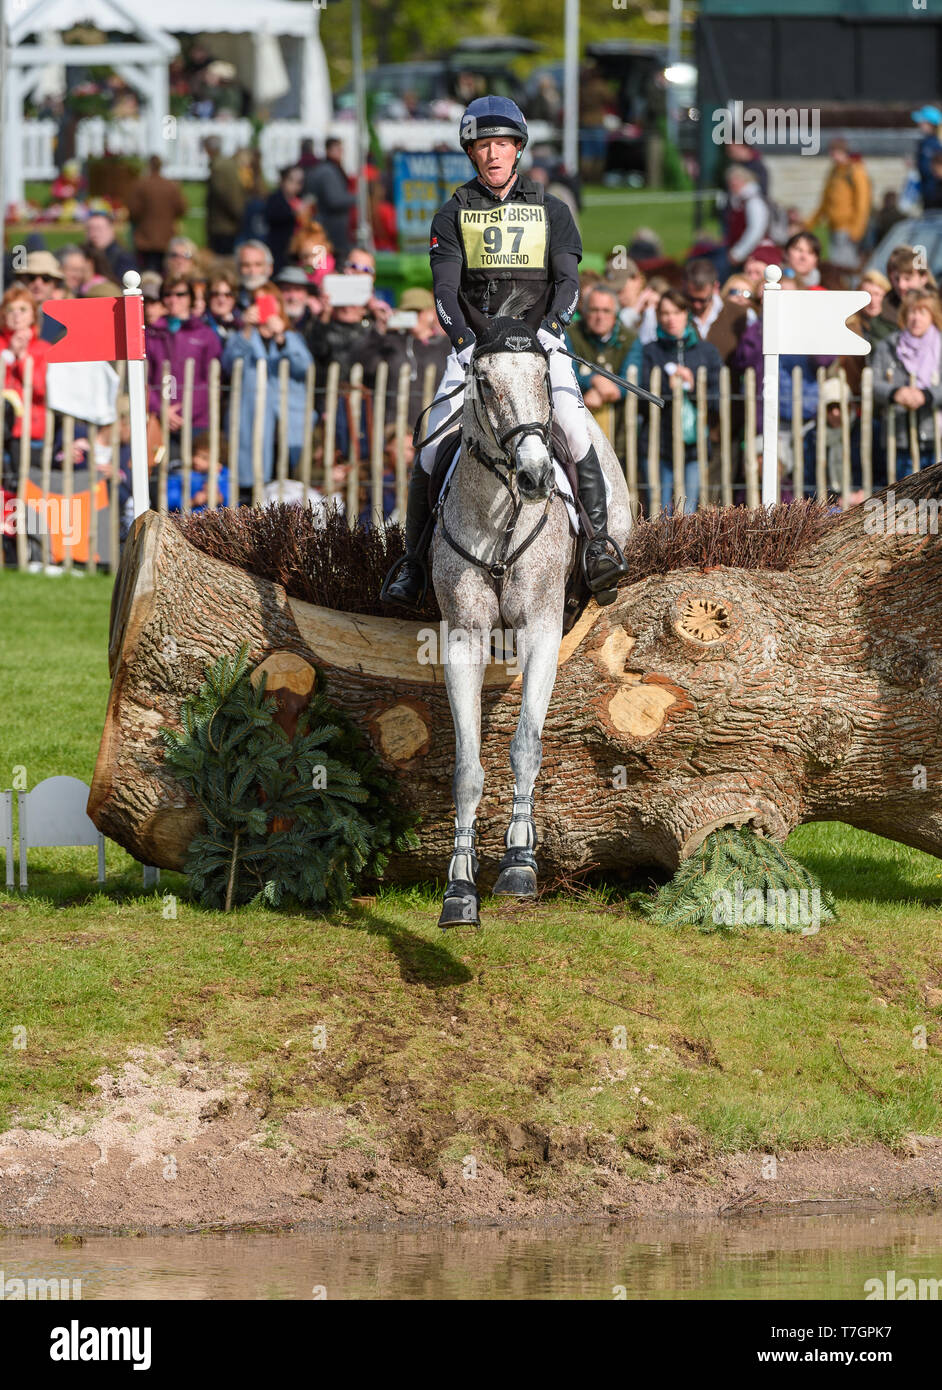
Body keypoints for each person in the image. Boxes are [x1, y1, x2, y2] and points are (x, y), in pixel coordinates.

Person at [381, 94, 629, 607]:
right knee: (430, 443)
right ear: (471, 153)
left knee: (576, 430)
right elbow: (445, 293)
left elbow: (568, 282)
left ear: (518, 148)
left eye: (502, 145)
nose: (493, 155)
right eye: (483, 146)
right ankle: (413, 563)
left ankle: (599, 546)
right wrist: (464, 343)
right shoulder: (450, 216)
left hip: (540, 345)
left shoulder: (552, 211)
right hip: (476, 351)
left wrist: (554, 327)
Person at [221, 285, 314, 498]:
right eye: (257, 302)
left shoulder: (291, 336)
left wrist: (281, 336)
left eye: (268, 302)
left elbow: (305, 367)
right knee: (251, 489)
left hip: (287, 425)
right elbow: (228, 363)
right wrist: (245, 328)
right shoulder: (243, 335)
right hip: (252, 423)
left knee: (287, 489)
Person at [639, 290, 721, 513]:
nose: (670, 319)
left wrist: (694, 388)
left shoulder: (706, 352)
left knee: (688, 511)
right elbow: (641, 397)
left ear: (686, 314)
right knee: (660, 513)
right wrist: (668, 389)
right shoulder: (650, 351)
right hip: (659, 443)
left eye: (676, 312)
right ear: (657, 316)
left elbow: (717, 400)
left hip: (694, 445)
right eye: (664, 313)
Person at [872, 288, 942, 477]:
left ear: (932, 315)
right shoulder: (888, 346)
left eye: (922, 312)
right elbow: (873, 383)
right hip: (899, 436)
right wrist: (894, 393)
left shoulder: (940, 346)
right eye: (912, 312)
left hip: (936, 437)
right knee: (905, 501)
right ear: (904, 315)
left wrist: (927, 395)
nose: (916, 318)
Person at [361, 286, 451, 425]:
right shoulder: (391, 342)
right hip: (395, 425)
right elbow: (367, 367)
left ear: (430, 313)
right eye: (408, 312)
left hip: (435, 424)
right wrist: (379, 332)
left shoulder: (445, 345)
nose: (414, 317)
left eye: (418, 311)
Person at [145, 275, 222, 434]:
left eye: (180, 294)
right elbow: (145, 379)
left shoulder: (205, 334)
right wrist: (161, 410)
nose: (174, 300)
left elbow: (213, 381)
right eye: (167, 294)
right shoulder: (151, 334)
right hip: (159, 419)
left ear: (191, 298)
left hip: (197, 421)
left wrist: (184, 412)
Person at [0, 287, 50, 460]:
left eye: (22, 309)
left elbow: (41, 390)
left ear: (33, 315)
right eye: (10, 310)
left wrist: (22, 358)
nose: (16, 315)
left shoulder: (43, 349)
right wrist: (9, 354)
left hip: (30, 430)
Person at [807, 139, 871, 271]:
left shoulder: (855, 171)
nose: (833, 156)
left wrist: (857, 229)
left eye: (835, 152)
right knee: (836, 263)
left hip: (848, 227)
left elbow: (862, 203)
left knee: (845, 266)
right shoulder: (834, 171)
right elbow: (825, 200)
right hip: (834, 226)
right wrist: (811, 223)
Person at [126, 155, 187, 275]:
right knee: (165, 270)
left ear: (149, 166)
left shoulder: (141, 185)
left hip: (145, 237)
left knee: (147, 272)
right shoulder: (170, 186)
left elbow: (133, 211)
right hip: (166, 236)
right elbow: (181, 208)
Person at [308, 138, 355, 265]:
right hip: (331, 228)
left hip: (329, 227)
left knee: (323, 262)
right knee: (325, 264)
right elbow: (334, 200)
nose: (341, 153)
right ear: (329, 150)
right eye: (338, 149)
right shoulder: (328, 171)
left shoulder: (327, 169)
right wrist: (356, 198)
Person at [723, 167, 770, 278]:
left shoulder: (753, 201)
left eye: (736, 180)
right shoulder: (739, 200)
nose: (732, 184)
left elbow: (756, 231)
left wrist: (738, 253)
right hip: (742, 252)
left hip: (754, 254)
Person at [204, 136, 247, 257]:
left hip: (223, 225)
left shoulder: (219, 167)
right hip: (226, 223)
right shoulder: (225, 163)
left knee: (223, 261)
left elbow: (225, 195)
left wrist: (237, 214)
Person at [264, 165, 306, 274]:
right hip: (280, 251)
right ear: (283, 181)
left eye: (299, 182)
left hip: (296, 251)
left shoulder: (299, 200)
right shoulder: (275, 199)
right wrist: (293, 214)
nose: (295, 185)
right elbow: (272, 216)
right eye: (292, 180)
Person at [84, 209, 136, 282]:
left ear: (111, 230)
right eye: (90, 229)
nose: (94, 234)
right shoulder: (83, 254)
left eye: (99, 229)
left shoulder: (123, 257)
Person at [912, 105, 942, 203]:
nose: (919, 124)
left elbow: (929, 170)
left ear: (930, 124)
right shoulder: (926, 143)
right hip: (928, 193)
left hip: (934, 195)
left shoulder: (932, 145)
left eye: (922, 122)